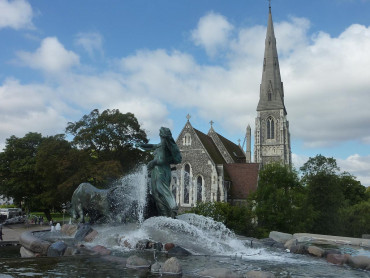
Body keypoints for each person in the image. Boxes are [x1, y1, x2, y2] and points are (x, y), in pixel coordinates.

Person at [138, 127, 182, 218]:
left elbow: (176, 159)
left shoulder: (167, 145)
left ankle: (173, 208)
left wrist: (154, 162)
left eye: (160, 133)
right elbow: (152, 146)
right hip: (155, 171)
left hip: (163, 171)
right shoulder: (160, 145)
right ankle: (164, 215)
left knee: (162, 189)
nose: (159, 135)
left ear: (163, 135)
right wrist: (141, 145)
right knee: (156, 194)